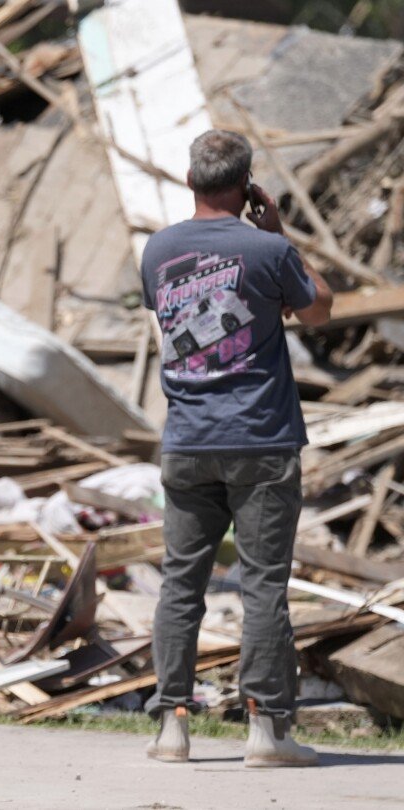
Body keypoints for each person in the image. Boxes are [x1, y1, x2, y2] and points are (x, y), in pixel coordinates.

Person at [140, 129, 333, 767]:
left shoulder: (158, 250)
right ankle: (265, 733)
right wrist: (279, 234)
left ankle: (171, 726)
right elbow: (320, 311)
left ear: (190, 179)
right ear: (247, 185)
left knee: (180, 584)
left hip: (187, 441)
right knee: (263, 586)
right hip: (261, 441)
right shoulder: (267, 249)